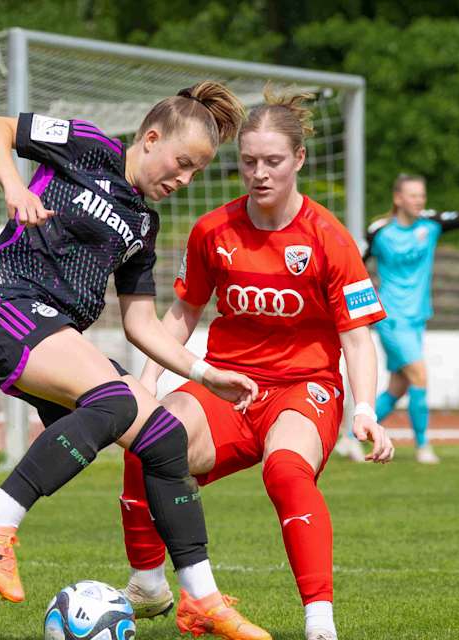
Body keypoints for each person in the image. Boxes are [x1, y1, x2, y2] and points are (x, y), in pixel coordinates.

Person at [0, 81, 269, 637]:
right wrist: (12, 187)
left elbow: (140, 322)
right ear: (150, 139)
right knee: (116, 399)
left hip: (49, 332)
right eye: (182, 163)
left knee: (165, 438)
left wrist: (203, 371)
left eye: (196, 172)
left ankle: (200, 597)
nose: (184, 180)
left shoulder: (143, 224)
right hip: (0, 304)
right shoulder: (87, 145)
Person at [119, 88, 394, 640]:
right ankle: (148, 582)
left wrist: (365, 409)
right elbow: (182, 312)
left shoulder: (330, 239)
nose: (259, 174)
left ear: (298, 159)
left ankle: (320, 623)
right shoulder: (212, 231)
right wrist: (148, 380)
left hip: (303, 388)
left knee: (285, 472)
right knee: (147, 433)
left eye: (272, 161)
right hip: (228, 387)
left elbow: (357, 340)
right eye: (248, 162)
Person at [333, 175, 459, 464]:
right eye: (413, 196)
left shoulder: (430, 224)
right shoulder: (380, 231)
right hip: (390, 317)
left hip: (417, 317)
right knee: (419, 375)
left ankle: (349, 437)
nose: (419, 201)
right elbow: (352, 264)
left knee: (400, 385)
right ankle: (423, 447)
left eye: (422, 195)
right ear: (398, 199)